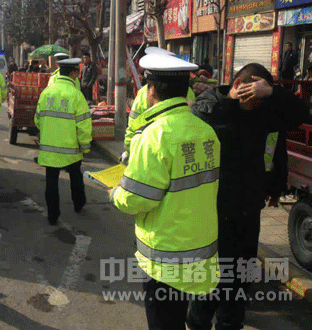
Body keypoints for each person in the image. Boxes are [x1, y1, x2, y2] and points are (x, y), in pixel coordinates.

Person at [187, 63, 307, 330]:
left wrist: (272, 92)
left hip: (249, 207)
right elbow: (196, 132)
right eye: (252, 97)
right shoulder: (211, 107)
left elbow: (300, 115)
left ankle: (230, 323)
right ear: (238, 86)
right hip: (215, 209)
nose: (256, 104)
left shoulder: (263, 111)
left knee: (241, 276)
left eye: (260, 97)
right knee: (215, 277)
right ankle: (197, 321)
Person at [109, 51, 220, 330]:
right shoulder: (206, 132)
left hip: (165, 259)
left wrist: (115, 193)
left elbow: (136, 199)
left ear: (152, 90)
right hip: (199, 250)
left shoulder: (154, 136)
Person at [35, 58, 92, 225]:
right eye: (77, 72)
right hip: (71, 150)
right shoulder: (76, 95)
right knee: (75, 177)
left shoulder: (46, 93)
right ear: (73, 73)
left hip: (49, 149)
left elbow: (37, 120)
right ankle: (78, 204)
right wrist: (85, 147)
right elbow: (83, 125)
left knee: (51, 183)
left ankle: (52, 215)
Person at [121, 47, 195, 164]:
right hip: (185, 150)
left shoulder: (144, 94)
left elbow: (133, 125)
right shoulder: (207, 132)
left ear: (153, 89)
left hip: (153, 151)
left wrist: (128, 150)